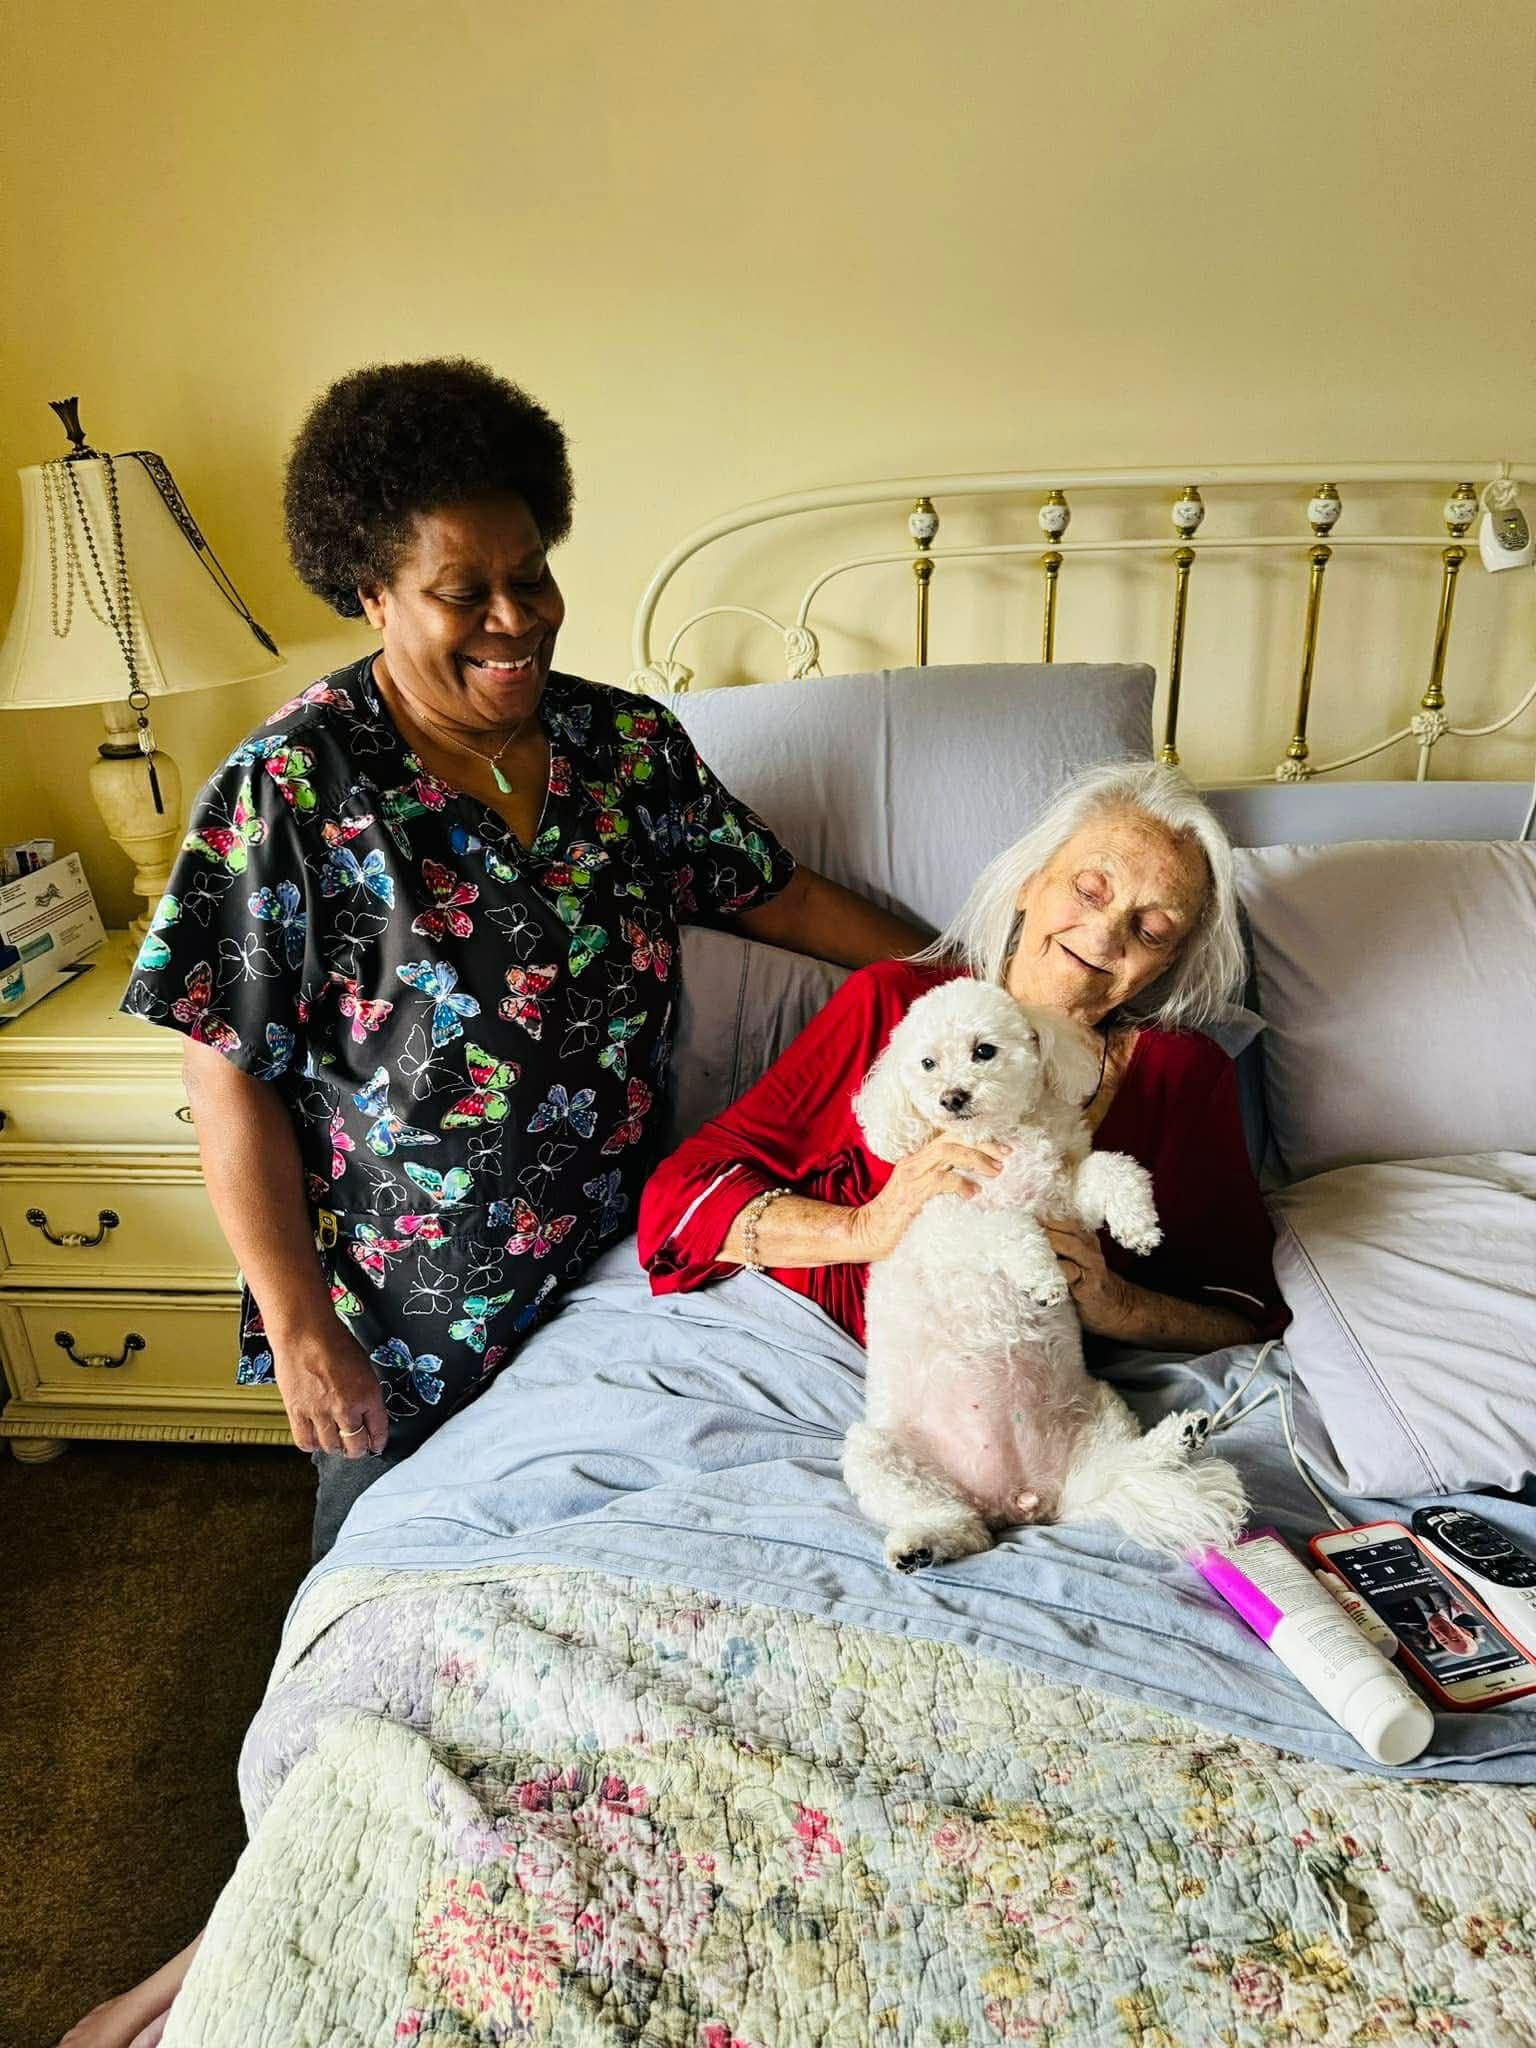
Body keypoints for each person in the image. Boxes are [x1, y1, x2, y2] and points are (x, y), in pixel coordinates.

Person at [65, 359, 921, 2048]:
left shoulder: (621, 746)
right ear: (370, 590)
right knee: (366, 1659)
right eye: (466, 591)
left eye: (532, 572)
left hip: (619, 1282)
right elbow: (227, 1080)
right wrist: (302, 1324)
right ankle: (220, 1965)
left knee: (573, 1681)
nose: (516, 616)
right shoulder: (293, 791)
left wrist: (976, 983)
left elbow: (782, 895)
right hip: (403, 1315)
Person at [641, 760, 1289, 1353]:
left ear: (1169, 961)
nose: (1103, 936)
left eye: (1151, 930)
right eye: (1090, 890)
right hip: (826, 1351)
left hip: (1032, 1391)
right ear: (1030, 883)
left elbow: (1246, 1313)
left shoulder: (1181, 1074)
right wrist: (865, 1229)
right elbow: (677, 1201)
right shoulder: (893, 1005)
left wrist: (1112, 1304)